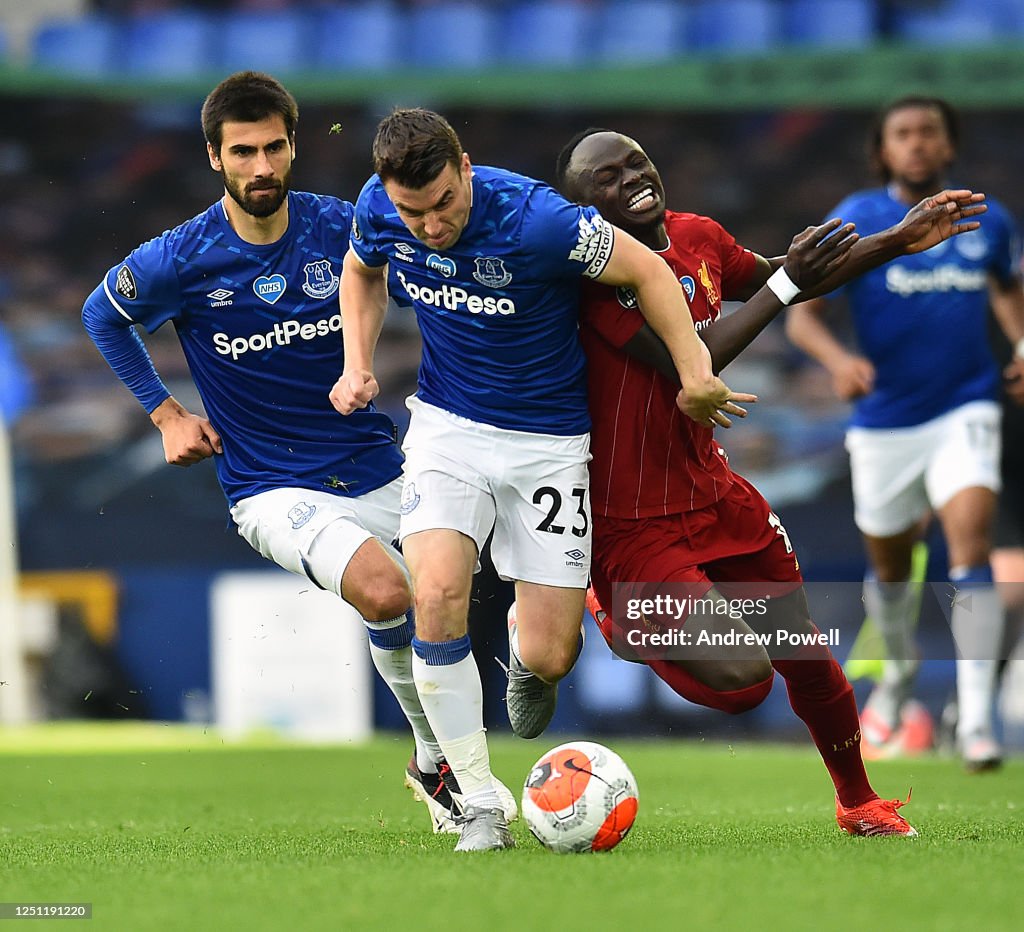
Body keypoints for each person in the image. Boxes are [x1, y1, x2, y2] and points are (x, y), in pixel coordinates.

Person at [80, 71, 515, 836]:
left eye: (273, 147)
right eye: (242, 151)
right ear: (214, 157)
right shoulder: (182, 257)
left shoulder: (342, 228)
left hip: (378, 465)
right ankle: (446, 767)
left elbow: (425, 289)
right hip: (271, 485)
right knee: (386, 592)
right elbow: (102, 314)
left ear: (293, 145)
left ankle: (431, 759)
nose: (261, 167)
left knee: (450, 593)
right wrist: (166, 413)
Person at [329, 108, 750, 851]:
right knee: (434, 594)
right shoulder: (375, 207)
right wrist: (356, 362)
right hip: (448, 430)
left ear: (465, 169)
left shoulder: (540, 220)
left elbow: (648, 269)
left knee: (555, 656)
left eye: (443, 206)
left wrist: (694, 372)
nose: (429, 227)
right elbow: (362, 271)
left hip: (549, 444)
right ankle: (475, 808)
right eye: (412, 212)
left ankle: (527, 640)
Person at [556, 127, 986, 836]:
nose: (632, 177)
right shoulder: (593, 280)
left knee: (807, 653)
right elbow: (693, 357)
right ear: (584, 208)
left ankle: (860, 803)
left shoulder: (698, 236)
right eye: (606, 177)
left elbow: (786, 270)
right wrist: (788, 286)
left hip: (715, 494)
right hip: (632, 521)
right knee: (744, 682)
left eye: (636, 161)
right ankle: (617, 617)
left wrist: (896, 241)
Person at [786, 96, 1024, 771]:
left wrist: (1021, 342)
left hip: (967, 409)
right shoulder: (858, 217)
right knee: (890, 571)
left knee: (970, 545)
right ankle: (899, 672)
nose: (917, 144)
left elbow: (1009, 289)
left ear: (948, 148)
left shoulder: (988, 220)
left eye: (929, 134)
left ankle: (978, 718)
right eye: (903, 135)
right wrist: (839, 362)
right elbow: (803, 313)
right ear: (883, 151)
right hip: (885, 422)